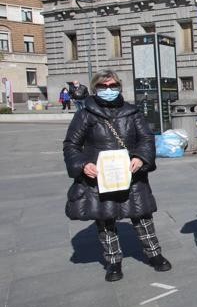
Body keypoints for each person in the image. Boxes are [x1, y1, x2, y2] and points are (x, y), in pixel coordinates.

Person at [63, 70, 172, 282]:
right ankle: (113, 261)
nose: (109, 90)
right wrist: (83, 164)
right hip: (99, 176)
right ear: (95, 89)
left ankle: (154, 254)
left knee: (142, 216)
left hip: (131, 174)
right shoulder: (85, 113)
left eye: (113, 86)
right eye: (103, 87)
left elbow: (147, 139)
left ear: (119, 86)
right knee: (106, 219)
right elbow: (71, 145)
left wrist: (141, 158)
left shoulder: (132, 112)